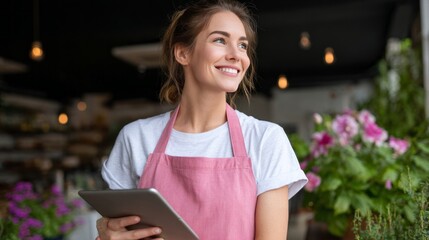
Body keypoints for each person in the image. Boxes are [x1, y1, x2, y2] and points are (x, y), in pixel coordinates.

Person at [96, 0, 308, 239]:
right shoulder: (136, 138)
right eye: (220, 40)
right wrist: (106, 236)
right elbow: (118, 232)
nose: (236, 55)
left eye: (242, 45)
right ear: (183, 53)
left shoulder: (265, 139)